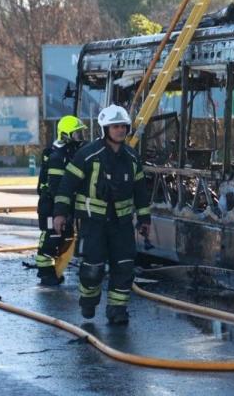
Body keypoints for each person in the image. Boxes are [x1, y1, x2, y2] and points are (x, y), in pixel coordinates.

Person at [52, 105, 150, 325]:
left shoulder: (132, 158)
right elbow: (67, 185)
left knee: (124, 267)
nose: (120, 130)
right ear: (105, 128)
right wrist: (60, 214)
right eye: (115, 126)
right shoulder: (87, 155)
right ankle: (88, 301)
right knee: (93, 268)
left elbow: (141, 191)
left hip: (122, 225)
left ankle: (117, 310)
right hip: (93, 223)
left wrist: (144, 220)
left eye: (123, 126)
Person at [34, 115, 87, 286]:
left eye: (81, 134)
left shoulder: (67, 153)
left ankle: (54, 271)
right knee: (51, 238)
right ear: (66, 135)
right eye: (77, 134)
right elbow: (56, 187)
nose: (80, 138)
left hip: (59, 206)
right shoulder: (58, 156)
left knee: (65, 236)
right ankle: (45, 272)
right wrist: (61, 210)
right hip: (51, 206)